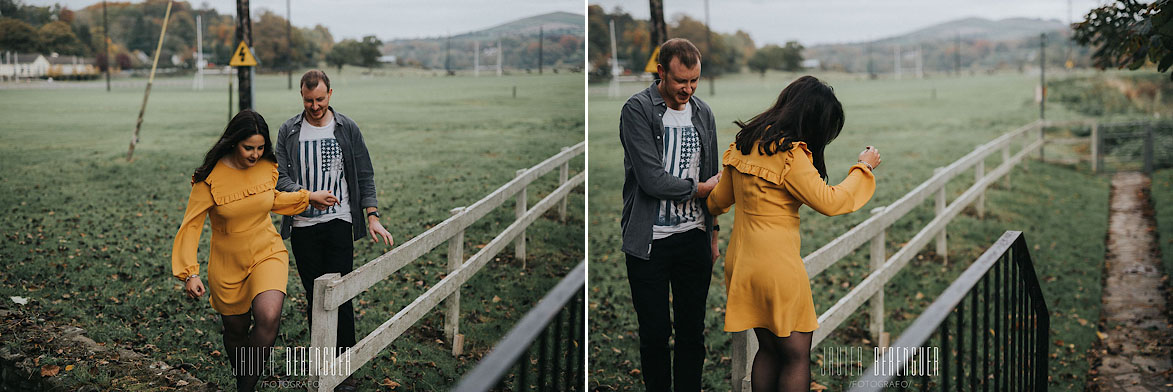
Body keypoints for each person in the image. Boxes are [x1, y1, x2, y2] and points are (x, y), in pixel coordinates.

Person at [706, 75, 882, 391]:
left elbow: (718, 200)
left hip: (742, 264)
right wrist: (863, 167)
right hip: (776, 266)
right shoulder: (790, 153)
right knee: (796, 355)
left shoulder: (744, 143)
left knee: (770, 349)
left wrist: (704, 199)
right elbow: (831, 201)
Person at [172, 109, 337, 392]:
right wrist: (190, 273)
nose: (255, 154)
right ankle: (244, 377)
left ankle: (244, 388)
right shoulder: (209, 179)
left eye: (260, 148)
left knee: (269, 316)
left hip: (266, 251)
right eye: (249, 147)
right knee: (235, 332)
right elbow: (191, 226)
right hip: (227, 262)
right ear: (234, 142)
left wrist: (308, 196)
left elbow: (269, 199)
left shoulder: (266, 166)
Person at [275, 70, 394, 389]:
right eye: (308, 100)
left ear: (331, 94)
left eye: (320, 99)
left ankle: (345, 371)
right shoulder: (289, 130)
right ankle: (323, 366)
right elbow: (279, 179)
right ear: (301, 96)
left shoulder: (347, 128)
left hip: (340, 222)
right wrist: (308, 196)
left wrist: (372, 215)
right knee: (316, 298)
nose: (314, 106)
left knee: (340, 296)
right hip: (302, 226)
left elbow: (365, 174)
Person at [618, 38, 721, 392]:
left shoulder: (703, 113)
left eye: (694, 81)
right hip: (650, 242)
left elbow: (713, 174)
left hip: (694, 237)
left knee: (693, 333)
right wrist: (698, 189)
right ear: (661, 72)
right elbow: (651, 180)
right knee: (656, 334)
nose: (688, 89)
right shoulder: (637, 110)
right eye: (681, 81)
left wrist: (714, 234)